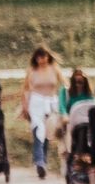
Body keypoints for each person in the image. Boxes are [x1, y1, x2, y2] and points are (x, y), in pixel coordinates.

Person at [23, 47, 64, 177]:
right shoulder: (32, 71)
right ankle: (40, 162)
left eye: (45, 56)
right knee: (38, 130)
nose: (42, 59)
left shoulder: (54, 69)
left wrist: (64, 102)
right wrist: (25, 106)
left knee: (47, 132)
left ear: (48, 56)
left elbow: (63, 85)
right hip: (36, 103)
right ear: (36, 58)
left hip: (51, 103)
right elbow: (25, 89)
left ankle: (42, 161)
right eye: (39, 57)